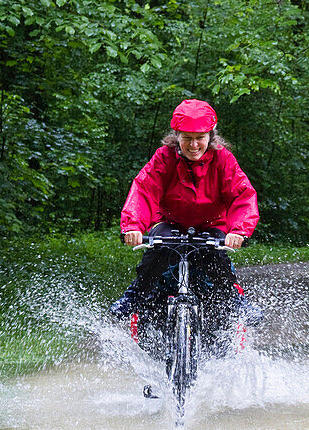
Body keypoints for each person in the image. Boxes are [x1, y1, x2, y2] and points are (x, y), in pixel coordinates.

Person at [109, 99, 261, 324]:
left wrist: (238, 231)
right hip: (170, 222)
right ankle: (136, 297)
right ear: (176, 136)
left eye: (200, 138)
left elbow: (242, 195)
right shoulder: (164, 157)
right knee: (156, 253)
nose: (193, 145)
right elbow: (144, 190)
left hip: (211, 224)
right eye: (187, 138)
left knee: (217, 258)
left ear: (210, 136)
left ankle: (232, 299)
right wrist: (133, 226)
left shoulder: (223, 159)